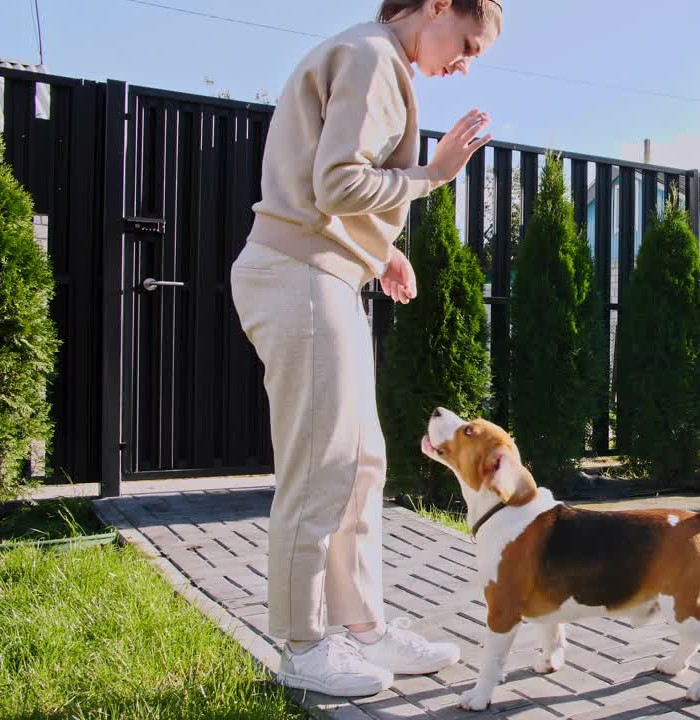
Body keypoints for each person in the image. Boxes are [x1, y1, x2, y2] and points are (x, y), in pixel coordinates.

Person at [229, 0, 500, 698]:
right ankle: (304, 645)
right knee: (322, 470)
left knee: (359, 465)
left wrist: (379, 254)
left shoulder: (370, 56)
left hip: (322, 269)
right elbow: (338, 181)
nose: (465, 63)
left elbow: (326, 191)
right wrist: (434, 174)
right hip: (300, 274)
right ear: (437, 6)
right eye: (467, 42)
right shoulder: (376, 57)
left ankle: (362, 628)